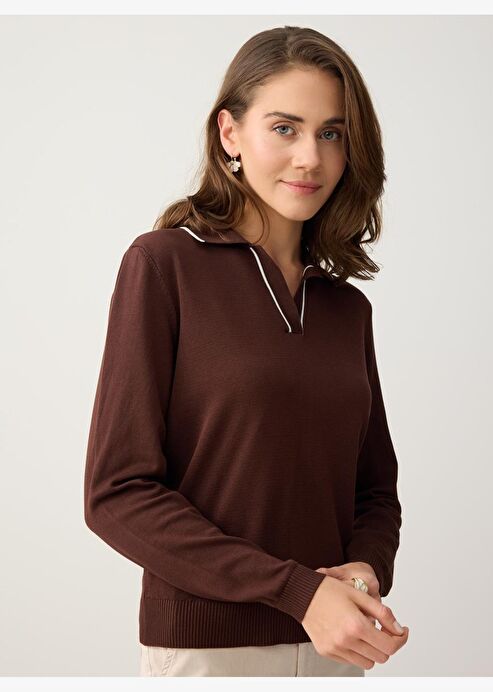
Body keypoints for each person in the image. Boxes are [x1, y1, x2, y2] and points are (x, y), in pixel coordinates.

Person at [84, 25, 409, 677]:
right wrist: (297, 592)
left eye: (331, 133)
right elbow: (117, 492)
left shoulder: (345, 307)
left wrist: (364, 571)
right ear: (230, 134)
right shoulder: (164, 266)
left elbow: (374, 491)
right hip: (210, 653)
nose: (309, 158)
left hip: (337, 647)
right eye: (284, 128)